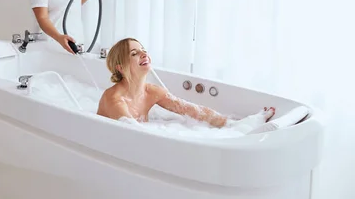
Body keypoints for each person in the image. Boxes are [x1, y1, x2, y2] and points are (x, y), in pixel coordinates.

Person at [97, 37, 276, 130]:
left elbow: (194, 111)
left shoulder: (152, 92)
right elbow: (131, 134)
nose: (144, 55)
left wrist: (234, 125)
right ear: (120, 67)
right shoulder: (114, 99)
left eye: (144, 50)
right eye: (134, 53)